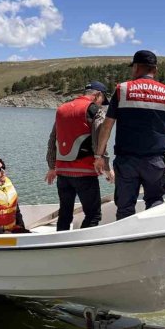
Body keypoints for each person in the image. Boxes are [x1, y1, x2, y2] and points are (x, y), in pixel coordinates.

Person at [93, 50, 165, 220]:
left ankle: (125, 243)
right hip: (155, 162)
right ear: (155, 70)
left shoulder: (122, 90)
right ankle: (152, 242)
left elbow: (107, 127)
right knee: (155, 203)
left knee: (125, 207)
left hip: (126, 162)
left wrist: (99, 155)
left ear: (136, 68)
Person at [45, 82, 114, 231]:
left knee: (65, 214)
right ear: (97, 95)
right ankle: (83, 248)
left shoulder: (62, 109)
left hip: (63, 173)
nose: (102, 105)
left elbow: (52, 140)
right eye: (102, 101)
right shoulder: (94, 110)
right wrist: (107, 168)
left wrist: (52, 167)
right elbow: (99, 140)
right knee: (93, 215)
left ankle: (60, 244)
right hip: (85, 173)